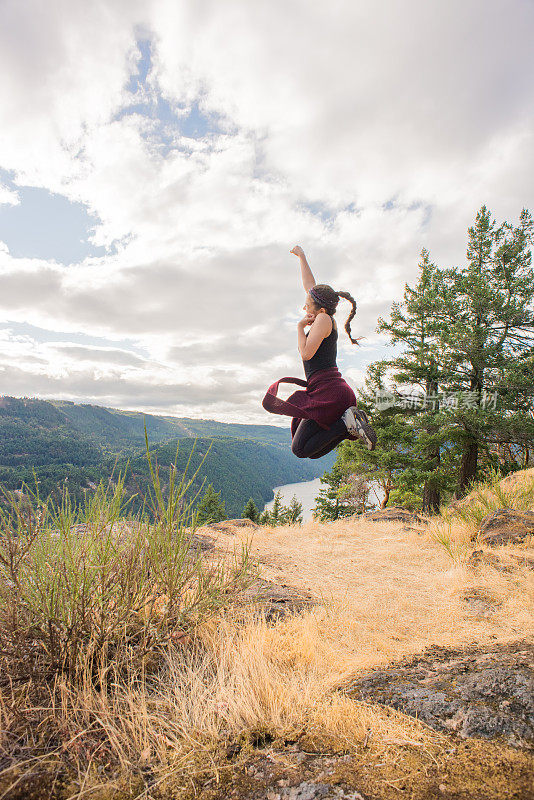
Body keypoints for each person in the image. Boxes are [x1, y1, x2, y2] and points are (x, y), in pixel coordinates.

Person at [262, 245, 377, 458]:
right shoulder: (323, 315)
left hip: (330, 392)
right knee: (311, 451)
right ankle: (348, 424)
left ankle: (346, 424)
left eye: (307, 306)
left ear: (321, 310)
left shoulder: (323, 320)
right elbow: (309, 286)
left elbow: (305, 354)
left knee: (299, 449)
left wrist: (299, 327)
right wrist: (302, 256)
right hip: (327, 390)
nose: (304, 308)